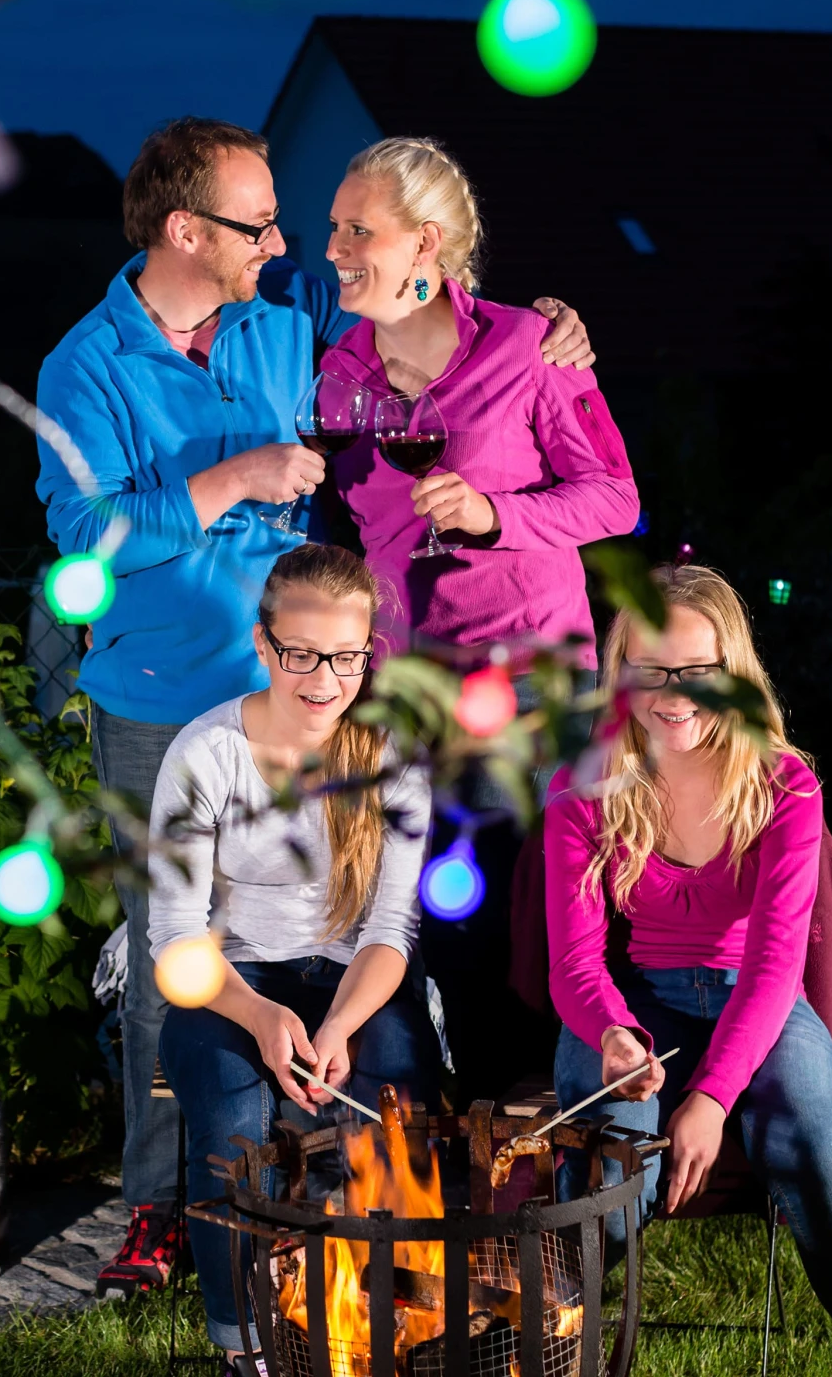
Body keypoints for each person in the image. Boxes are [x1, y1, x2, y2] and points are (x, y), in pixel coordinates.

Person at [35, 117, 594, 1293]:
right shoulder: (83, 366)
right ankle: (158, 1212)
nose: (285, 241)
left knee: (350, 929)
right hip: (160, 700)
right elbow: (82, 540)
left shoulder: (285, 319)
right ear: (185, 231)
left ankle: (336, 1193)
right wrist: (233, 477)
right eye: (259, 222)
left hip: (308, 694)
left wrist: (544, 322)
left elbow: (417, 303)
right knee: (165, 960)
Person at [544, 564, 832, 1377]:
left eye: (698, 671)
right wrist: (614, 1036)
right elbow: (574, 962)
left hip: (756, 1003)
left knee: (828, 1166)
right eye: (650, 670)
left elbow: (771, 968)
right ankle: (536, 1353)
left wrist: (712, 1099)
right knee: (610, 1185)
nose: (673, 692)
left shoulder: (783, 786)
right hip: (637, 1003)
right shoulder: (582, 790)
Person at [321, 137, 641, 1101]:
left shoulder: (528, 348)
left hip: (530, 682)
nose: (332, 246)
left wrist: (498, 516)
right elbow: (345, 529)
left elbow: (615, 499)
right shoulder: (335, 375)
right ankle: (456, 1153)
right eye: (331, 226)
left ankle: (540, 1145)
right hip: (403, 687)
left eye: (355, 229)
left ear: (426, 245)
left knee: (523, 921)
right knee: (423, 918)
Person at [148, 545, 440, 1371]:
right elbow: (174, 935)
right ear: (265, 646)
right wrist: (259, 1014)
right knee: (234, 1131)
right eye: (303, 654)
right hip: (230, 986)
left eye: (346, 657)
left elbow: (393, 931)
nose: (325, 679)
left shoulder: (390, 759)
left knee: (388, 1107)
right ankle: (250, 1347)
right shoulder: (205, 754)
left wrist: (341, 1023)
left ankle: (379, 1333)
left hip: (353, 984)